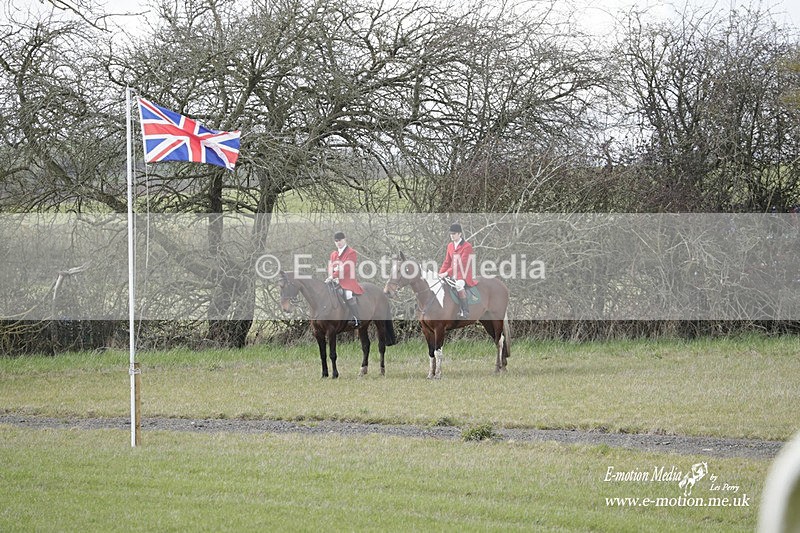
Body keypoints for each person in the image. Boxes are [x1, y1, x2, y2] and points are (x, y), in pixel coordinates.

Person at [438, 223, 477, 319]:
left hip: (463, 274)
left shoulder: (467, 246)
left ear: (460, 234)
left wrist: (447, 273)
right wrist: (440, 274)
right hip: (452, 273)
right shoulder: (450, 246)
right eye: (451, 233)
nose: (452, 235)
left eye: (454, 233)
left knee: (459, 285)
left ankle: (465, 311)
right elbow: (447, 261)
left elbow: (461, 264)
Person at [325, 231, 364, 326]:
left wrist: (334, 275)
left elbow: (346, 267)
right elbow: (330, 267)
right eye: (336, 241)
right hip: (335, 280)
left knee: (348, 294)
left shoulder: (351, 252)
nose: (338, 242)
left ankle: (356, 318)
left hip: (348, 281)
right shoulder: (333, 254)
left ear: (344, 239)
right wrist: (331, 275)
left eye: (340, 240)